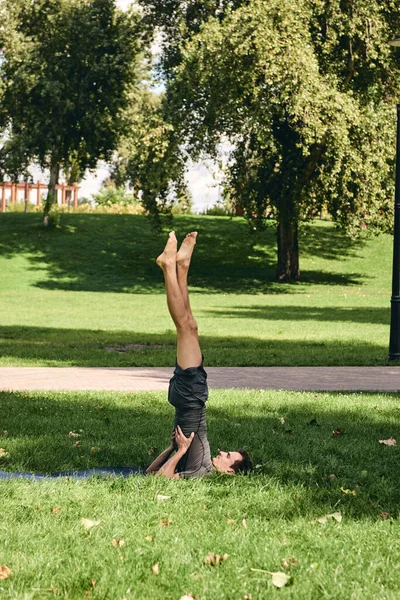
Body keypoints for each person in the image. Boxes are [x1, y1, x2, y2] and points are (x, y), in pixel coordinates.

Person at [145, 231, 253, 479]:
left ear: (229, 472)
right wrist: (173, 448)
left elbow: (160, 479)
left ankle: (168, 266)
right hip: (190, 398)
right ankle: (182, 267)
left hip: (191, 398)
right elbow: (149, 473)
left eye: (228, 457)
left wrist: (180, 451)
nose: (223, 452)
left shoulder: (202, 472)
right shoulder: (201, 466)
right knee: (191, 325)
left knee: (185, 326)